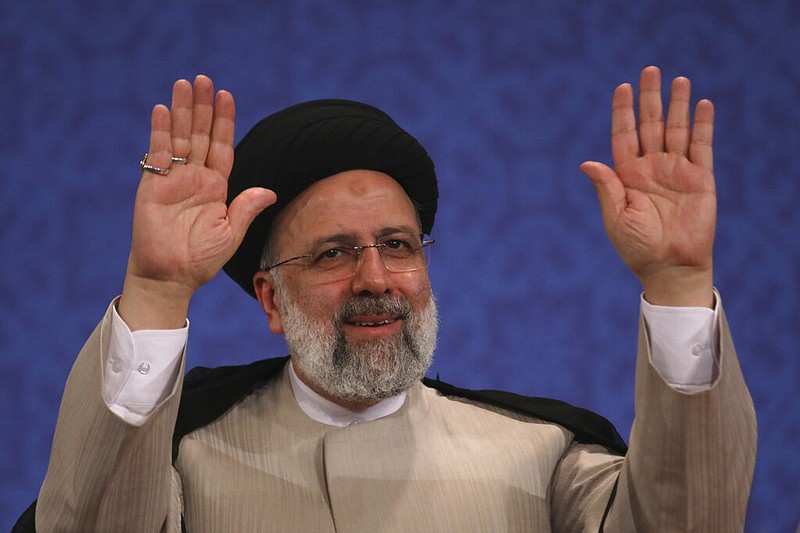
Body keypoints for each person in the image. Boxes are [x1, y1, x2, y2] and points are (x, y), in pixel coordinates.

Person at [17, 66, 756, 532]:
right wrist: (155, 289)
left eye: (398, 245)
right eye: (334, 253)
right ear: (270, 299)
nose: (376, 277)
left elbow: (690, 519)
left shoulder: (545, 456)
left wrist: (680, 282)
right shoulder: (184, 461)